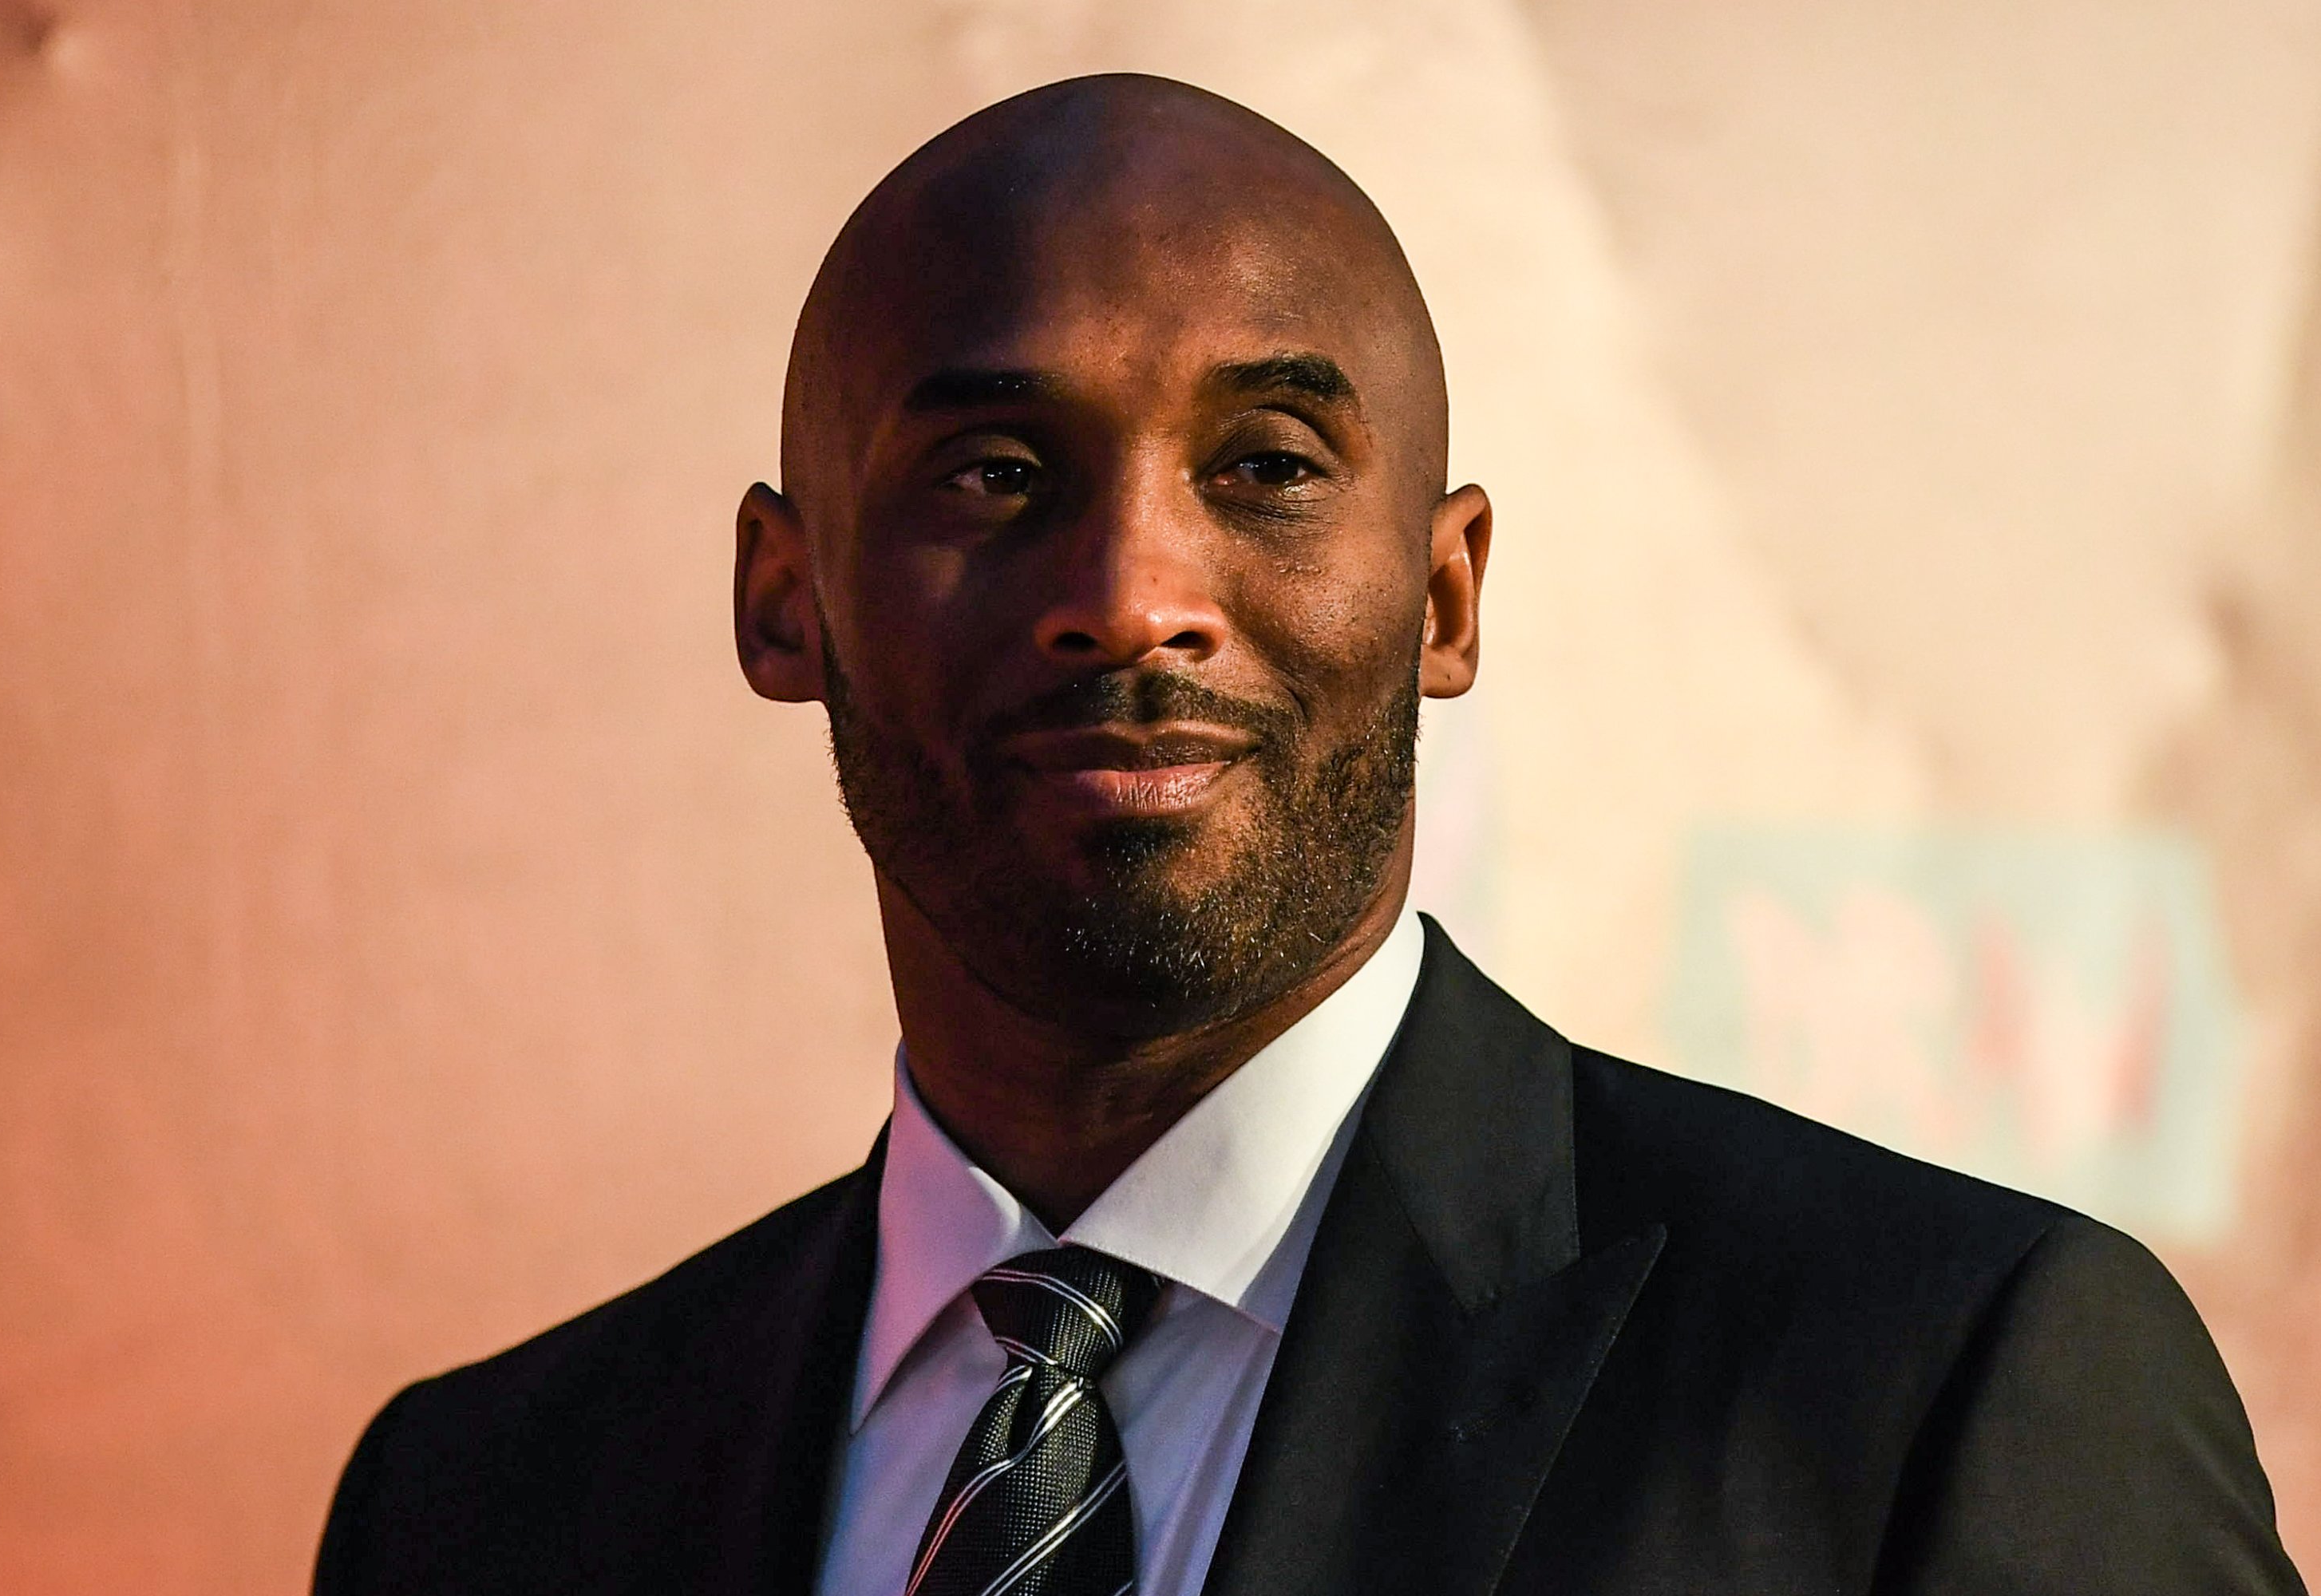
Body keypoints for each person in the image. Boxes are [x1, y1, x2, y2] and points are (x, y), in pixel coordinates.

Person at [313, 73, 2305, 1596]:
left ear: (1444, 600)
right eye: (997, 473)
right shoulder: (484, 1501)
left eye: (1265, 464)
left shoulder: (1932, 1389)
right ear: (786, 595)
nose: (1133, 587)